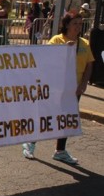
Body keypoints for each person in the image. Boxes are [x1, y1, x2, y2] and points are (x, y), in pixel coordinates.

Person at [22, 13, 95, 164]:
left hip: (74, 89)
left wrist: (83, 84)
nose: (78, 27)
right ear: (67, 25)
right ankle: (30, 143)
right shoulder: (57, 40)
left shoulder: (84, 43)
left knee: (66, 119)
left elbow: (89, 65)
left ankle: (60, 151)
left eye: (80, 24)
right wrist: (63, 50)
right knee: (46, 116)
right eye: (75, 23)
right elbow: (47, 59)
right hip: (56, 87)